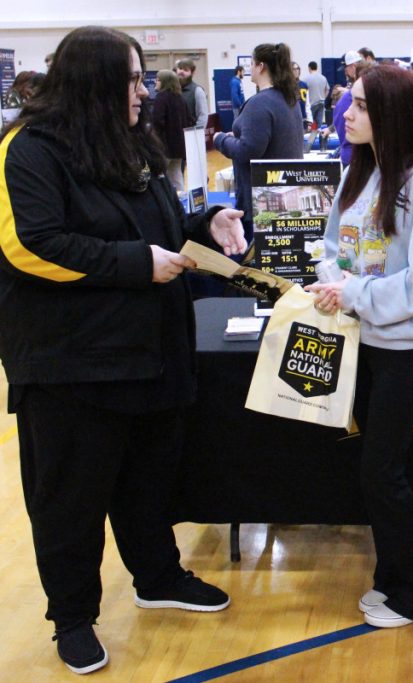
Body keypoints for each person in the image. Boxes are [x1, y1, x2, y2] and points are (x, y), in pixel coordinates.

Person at [0, 26, 242, 675]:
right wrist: (137, 263)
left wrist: (203, 224)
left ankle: (156, 574)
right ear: (96, 84)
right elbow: (31, 244)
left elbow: (158, 226)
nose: (145, 91)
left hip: (149, 353)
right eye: (134, 80)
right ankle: (72, 616)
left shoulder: (130, 142)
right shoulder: (28, 151)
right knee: (69, 499)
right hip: (71, 365)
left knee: (148, 481)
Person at [306, 64, 413, 630]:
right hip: (357, 344)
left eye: (362, 106)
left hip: (400, 351)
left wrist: (355, 293)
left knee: (382, 473)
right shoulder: (356, 175)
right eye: (350, 103)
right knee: (373, 470)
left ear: (391, 113)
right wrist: (333, 284)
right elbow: (329, 248)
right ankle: (392, 579)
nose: (347, 113)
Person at [214, 42, 304, 242]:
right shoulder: (289, 99)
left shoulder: (260, 102)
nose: (250, 69)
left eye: (252, 63)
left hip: (260, 200)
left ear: (261, 66)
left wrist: (221, 139)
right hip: (284, 193)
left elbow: (248, 150)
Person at [151, 69, 188, 193]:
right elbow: (188, 120)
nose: (155, 82)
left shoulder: (161, 98)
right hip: (179, 147)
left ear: (165, 82)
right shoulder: (181, 99)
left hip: (164, 147)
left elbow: (157, 121)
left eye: (158, 79)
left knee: (160, 177)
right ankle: (182, 201)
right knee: (177, 175)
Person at [333, 58, 371, 166]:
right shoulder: (347, 100)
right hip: (355, 159)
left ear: (353, 68)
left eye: (346, 69)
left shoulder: (346, 98)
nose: (345, 72)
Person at [175, 58, 208, 129]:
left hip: (190, 135)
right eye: (180, 68)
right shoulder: (172, 90)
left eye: (186, 70)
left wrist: (195, 135)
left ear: (192, 73)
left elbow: (202, 116)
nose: (181, 72)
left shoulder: (197, 90)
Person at [306, 60, 329, 127]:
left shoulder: (306, 78)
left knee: (311, 124)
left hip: (311, 104)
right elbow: (327, 89)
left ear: (309, 68)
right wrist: (324, 97)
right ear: (317, 67)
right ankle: (318, 136)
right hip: (321, 102)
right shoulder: (323, 78)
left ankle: (311, 137)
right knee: (319, 124)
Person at [292, 61, 311, 126]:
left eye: (297, 69)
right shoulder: (285, 86)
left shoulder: (304, 85)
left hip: (303, 118)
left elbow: (307, 104)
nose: (296, 71)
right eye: (294, 69)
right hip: (290, 118)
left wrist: (309, 120)